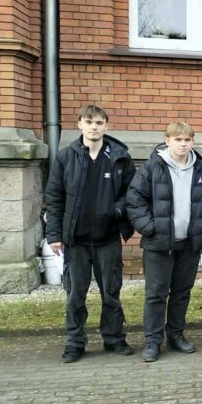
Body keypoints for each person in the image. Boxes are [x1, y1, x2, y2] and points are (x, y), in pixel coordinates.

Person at [45, 105, 136, 363]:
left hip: (108, 239)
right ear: (80, 124)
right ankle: (75, 342)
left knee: (111, 292)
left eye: (98, 122)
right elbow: (54, 197)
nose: (94, 127)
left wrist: (116, 211)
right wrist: (54, 235)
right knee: (75, 295)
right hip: (76, 241)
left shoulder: (119, 157)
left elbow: (132, 193)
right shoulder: (65, 157)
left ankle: (114, 338)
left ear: (106, 125)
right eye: (89, 122)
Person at [126, 121, 202, 362]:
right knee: (156, 294)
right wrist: (150, 228)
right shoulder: (151, 168)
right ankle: (153, 341)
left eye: (187, 140)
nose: (183, 144)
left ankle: (176, 334)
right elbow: (135, 201)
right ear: (167, 141)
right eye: (178, 139)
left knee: (181, 292)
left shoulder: (201, 169)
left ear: (193, 142)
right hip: (159, 244)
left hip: (189, 242)